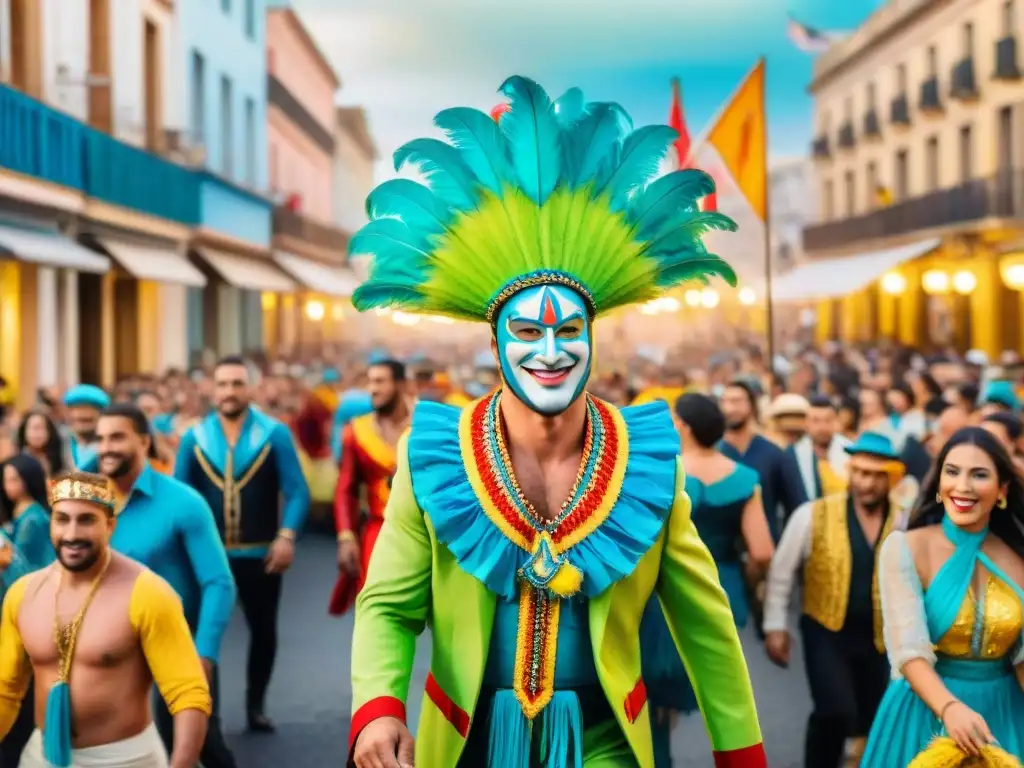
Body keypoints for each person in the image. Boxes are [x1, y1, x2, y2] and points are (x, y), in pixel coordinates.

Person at [346, 76, 766, 768]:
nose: (549, 351)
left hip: (607, 738)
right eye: (527, 333)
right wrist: (378, 709)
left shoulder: (649, 460)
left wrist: (741, 754)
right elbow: (388, 606)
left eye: (568, 329)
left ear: (593, 340)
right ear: (495, 345)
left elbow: (706, 624)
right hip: (468, 739)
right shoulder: (435, 457)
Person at [0, 471, 212, 768]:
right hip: (42, 756)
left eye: (86, 520)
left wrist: (182, 763)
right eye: (62, 519)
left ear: (109, 525)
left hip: (125, 759)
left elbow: (188, 693)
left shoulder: (148, 593)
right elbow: (6, 690)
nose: (72, 534)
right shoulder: (22, 595)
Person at [861, 427, 1024, 765]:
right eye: (952, 472)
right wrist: (949, 708)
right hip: (924, 717)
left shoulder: (1019, 557)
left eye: (979, 475)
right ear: (938, 483)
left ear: (1002, 489)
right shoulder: (904, 547)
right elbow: (907, 650)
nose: (962, 486)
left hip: (1005, 716)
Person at [174, 356, 310, 732]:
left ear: (250, 388)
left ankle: (255, 704)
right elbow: (179, 498)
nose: (229, 392)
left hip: (261, 554)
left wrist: (286, 537)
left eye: (237, 384)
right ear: (211, 390)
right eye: (223, 384)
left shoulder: (274, 433)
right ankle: (207, 711)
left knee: (263, 631)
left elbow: (298, 492)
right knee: (204, 634)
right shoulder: (194, 438)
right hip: (208, 559)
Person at [97, 403, 238, 766]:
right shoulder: (89, 504)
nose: (106, 447)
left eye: (117, 436)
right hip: (110, 652)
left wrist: (203, 653)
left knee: (198, 745)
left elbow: (218, 582)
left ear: (144, 441)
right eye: (101, 438)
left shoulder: (184, 502)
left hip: (178, 649)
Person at [641, 393, 774, 767]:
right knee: (720, 682)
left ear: (682, 425)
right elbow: (762, 550)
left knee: (650, 693)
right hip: (723, 585)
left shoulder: (659, 471)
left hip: (662, 592)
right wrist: (746, 580)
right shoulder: (745, 478)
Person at [763, 432, 909, 768]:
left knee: (872, 716)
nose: (866, 483)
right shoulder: (813, 514)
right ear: (850, 473)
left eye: (875, 476)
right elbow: (782, 571)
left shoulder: (903, 521)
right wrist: (775, 626)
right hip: (824, 630)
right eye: (860, 473)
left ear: (889, 479)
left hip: (879, 638)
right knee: (834, 709)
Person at [330, 359, 411, 616]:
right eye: (370, 381)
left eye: (380, 381)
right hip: (377, 531)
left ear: (401, 384)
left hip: (424, 532)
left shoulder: (426, 426)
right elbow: (346, 488)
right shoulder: (357, 430)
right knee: (373, 610)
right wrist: (346, 537)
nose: (372, 388)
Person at [720, 379, 807, 540]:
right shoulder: (714, 453)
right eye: (725, 401)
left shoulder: (774, 454)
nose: (730, 408)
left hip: (767, 550)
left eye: (737, 401)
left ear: (752, 406)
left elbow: (798, 507)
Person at [784, 395, 852, 504]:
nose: (822, 427)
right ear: (806, 423)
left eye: (828, 420)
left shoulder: (850, 451)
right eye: (816, 421)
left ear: (836, 421)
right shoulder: (793, 455)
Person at [0, 454, 55, 571]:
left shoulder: (33, 518)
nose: (7, 486)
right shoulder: (19, 511)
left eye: (13, 480)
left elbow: (19, 560)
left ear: (28, 479)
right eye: (6, 480)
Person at [62, 385, 111, 472]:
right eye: (79, 420)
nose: (83, 426)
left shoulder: (109, 446)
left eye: (88, 420)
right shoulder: (62, 440)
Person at [15, 411, 65, 478]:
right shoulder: (17, 462)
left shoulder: (57, 457)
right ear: (24, 431)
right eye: (34, 428)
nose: (38, 433)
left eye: (42, 428)